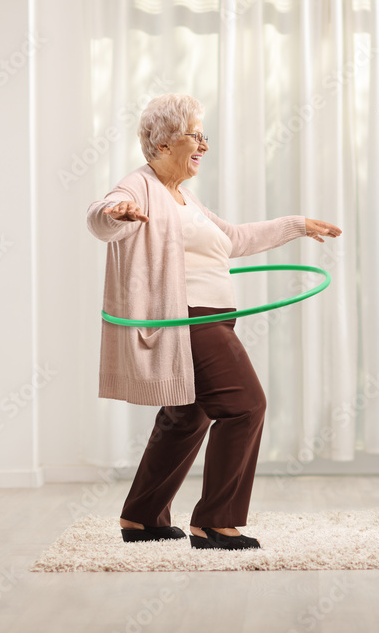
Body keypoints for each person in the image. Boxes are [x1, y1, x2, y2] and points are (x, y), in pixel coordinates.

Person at [86, 94, 341, 550]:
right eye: (195, 135)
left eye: (204, 135)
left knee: (187, 414)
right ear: (163, 143)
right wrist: (112, 213)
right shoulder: (138, 187)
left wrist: (297, 224)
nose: (204, 145)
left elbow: (233, 239)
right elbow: (104, 217)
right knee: (246, 406)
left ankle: (141, 518)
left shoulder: (184, 197)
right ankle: (215, 523)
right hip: (188, 319)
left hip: (213, 317)